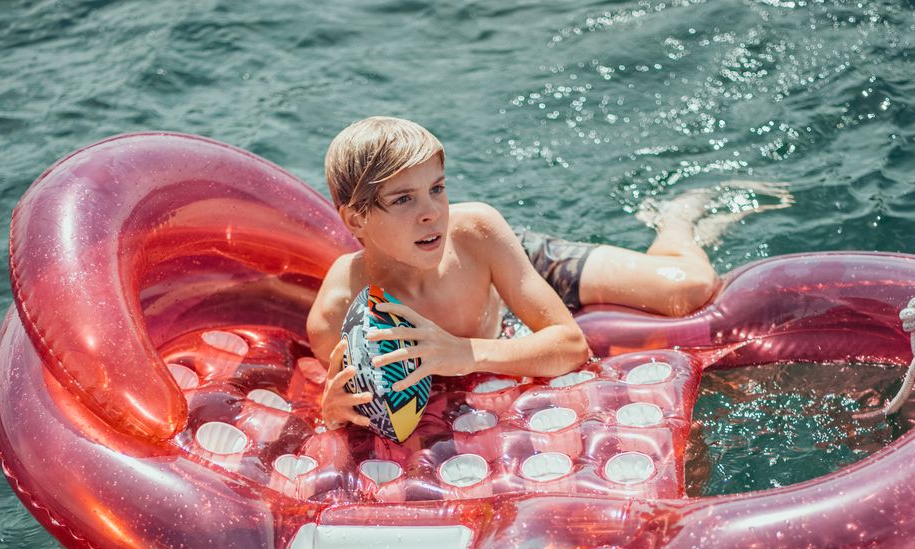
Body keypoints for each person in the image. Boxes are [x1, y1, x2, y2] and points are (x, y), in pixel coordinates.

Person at [306, 116, 793, 429]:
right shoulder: (340, 316)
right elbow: (349, 411)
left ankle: (675, 218)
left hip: (512, 263)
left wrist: (462, 354)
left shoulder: (472, 229)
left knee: (687, 288)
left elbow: (569, 345)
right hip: (487, 301)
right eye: (403, 199)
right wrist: (331, 416)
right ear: (355, 219)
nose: (433, 212)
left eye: (437, 188)